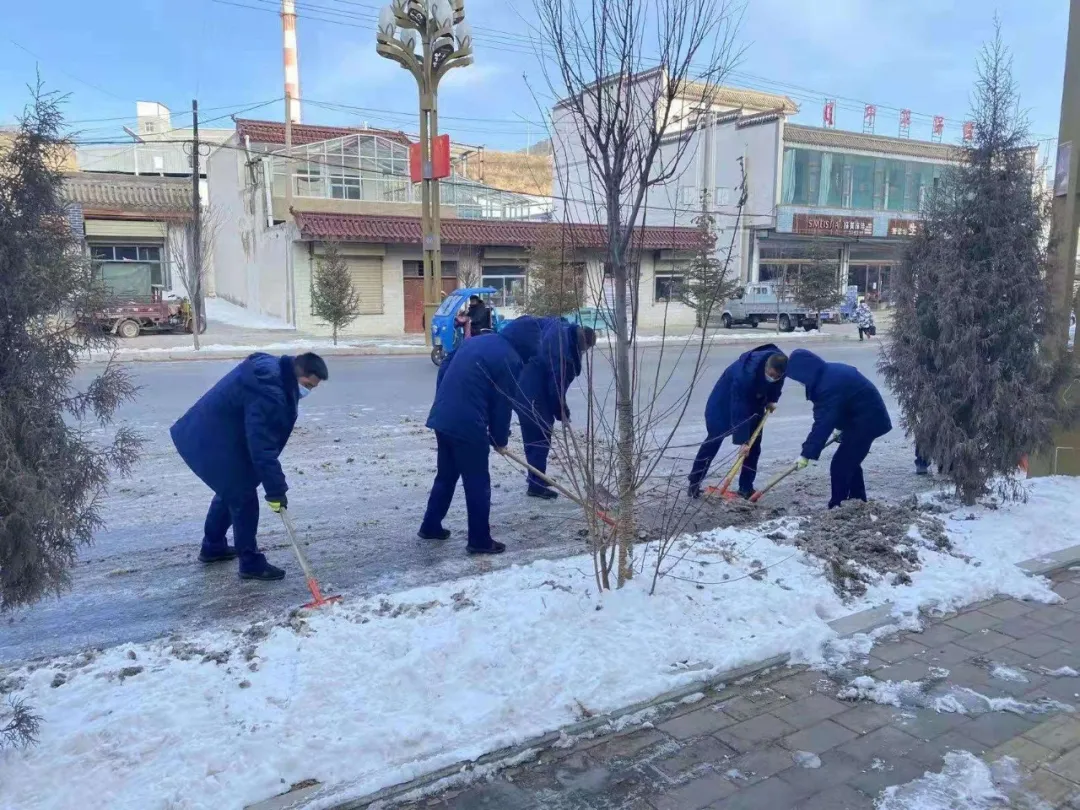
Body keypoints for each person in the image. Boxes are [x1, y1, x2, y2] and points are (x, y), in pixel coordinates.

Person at [170, 352, 329, 580]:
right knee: (243, 496)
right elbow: (262, 446)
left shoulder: (273, 369)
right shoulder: (270, 392)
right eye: (306, 385)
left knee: (230, 490)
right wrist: (275, 490)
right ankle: (250, 563)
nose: (306, 392)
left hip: (212, 433)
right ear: (297, 371)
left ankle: (213, 547)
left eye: (312, 388)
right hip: (210, 440)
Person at [418, 316, 543, 554]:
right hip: (468, 424)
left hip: (443, 418)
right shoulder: (511, 359)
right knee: (477, 483)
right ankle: (479, 540)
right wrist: (500, 438)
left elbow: (445, 367)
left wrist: (444, 403)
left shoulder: (478, 341)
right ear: (529, 344)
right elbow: (503, 403)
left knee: (446, 475)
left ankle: (430, 525)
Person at [787, 349, 892, 508]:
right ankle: (858, 500)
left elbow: (823, 423)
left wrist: (806, 454)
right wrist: (841, 426)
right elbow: (842, 405)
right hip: (861, 418)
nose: (800, 382)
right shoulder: (827, 373)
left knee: (840, 464)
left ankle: (838, 505)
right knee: (850, 461)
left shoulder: (826, 385)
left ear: (804, 372)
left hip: (867, 421)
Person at [688, 344, 787, 500]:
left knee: (754, 445)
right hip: (725, 400)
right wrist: (743, 441)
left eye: (777, 376)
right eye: (771, 374)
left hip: (755, 400)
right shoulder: (745, 375)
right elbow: (739, 406)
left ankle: (746, 488)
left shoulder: (780, 365)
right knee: (715, 438)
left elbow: (777, 384)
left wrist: (772, 399)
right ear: (766, 367)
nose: (773, 378)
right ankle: (694, 482)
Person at [515, 320, 597, 498]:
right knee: (540, 438)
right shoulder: (565, 358)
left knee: (532, 439)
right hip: (535, 396)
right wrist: (562, 412)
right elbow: (555, 390)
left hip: (521, 387)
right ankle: (536, 486)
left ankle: (535, 479)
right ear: (584, 345)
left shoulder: (559, 326)